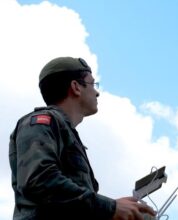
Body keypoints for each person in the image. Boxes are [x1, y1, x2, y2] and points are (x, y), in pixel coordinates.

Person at [9, 57, 156, 220]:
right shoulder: (41, 122)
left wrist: (117, 211)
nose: (97, 92)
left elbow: (71, 205)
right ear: (76, 87)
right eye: (93, 84)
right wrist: (110, 207)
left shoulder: (65, 131)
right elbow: (39, 180)